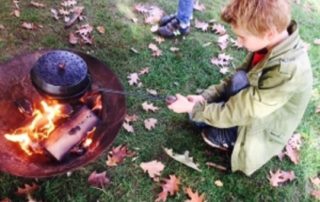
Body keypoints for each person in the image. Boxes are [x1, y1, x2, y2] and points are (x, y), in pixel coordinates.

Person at [167, 0, 313, 176]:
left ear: (269, 33)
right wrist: (204, 98)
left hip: (263, 124)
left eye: (243, 37)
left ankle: (231, 136)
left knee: (209, 132)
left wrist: (194, 108)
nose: (239, 42)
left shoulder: (288, 71)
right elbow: (237, 77)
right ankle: (220, 120)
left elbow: (245, 110)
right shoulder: (271, 42)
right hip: (252, 102)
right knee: (237, 80)